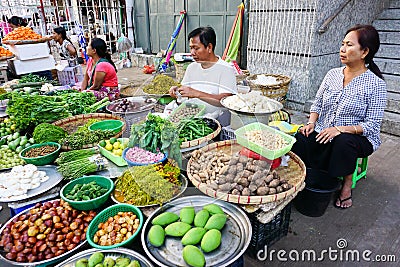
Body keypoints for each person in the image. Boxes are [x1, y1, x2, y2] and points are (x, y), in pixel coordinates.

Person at [292, 25, 387, 209]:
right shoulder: (332, 74)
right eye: (342, 44)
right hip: (324, 129)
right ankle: (307, 177)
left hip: (357, 137)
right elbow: (317, 103)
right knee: (300, 138)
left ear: (364, 52)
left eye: (349, 45)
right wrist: (311, 123)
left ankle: (346, 187)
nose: (342, 49)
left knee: (343, 141)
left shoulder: (376, 84)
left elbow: (372, 125)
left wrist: (340, 129)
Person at [168, 26, 237, 126]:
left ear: (209, 47)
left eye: (196, 48)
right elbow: (186, 92)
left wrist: (196, 93)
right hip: (191, 118)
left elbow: (225, 101)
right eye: (191, 48)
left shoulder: (226, 70)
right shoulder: (191, 67)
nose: (192, 53)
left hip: (216, 122)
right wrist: (178, 91)